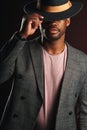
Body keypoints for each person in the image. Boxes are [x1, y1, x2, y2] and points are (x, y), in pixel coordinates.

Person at [0, 0, 87, 130]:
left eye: (59, 18)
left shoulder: (82, 61)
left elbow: (85, 112)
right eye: (48, 17)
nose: (53, 23)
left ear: (67, 21)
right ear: (39, 20)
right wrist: (21, 35)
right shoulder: (21, 49)